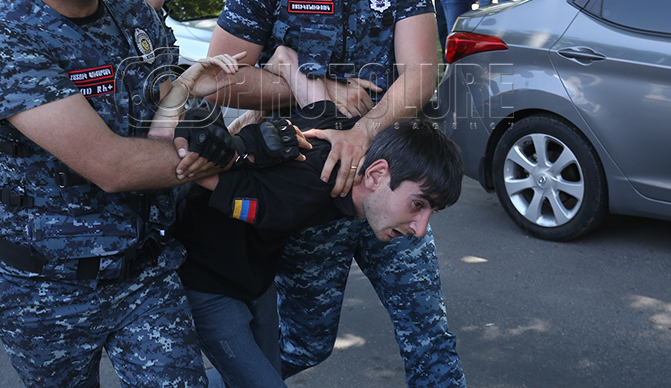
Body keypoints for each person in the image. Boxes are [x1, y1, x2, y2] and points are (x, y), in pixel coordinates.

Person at [0, 0, 250, 387]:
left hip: (147, 274)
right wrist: (232, 151)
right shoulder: (3, 40)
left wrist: (202, 100)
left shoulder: (133, 17)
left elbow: (168, 98)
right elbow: (112, 165)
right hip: (46, 291)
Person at [206, 0, 466, 388]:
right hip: (310, 189)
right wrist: (311, 89)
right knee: (304, 343)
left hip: (395, 182)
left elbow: (419, 74)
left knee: (430, 338)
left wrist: (364, 129)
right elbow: (218, 82)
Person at [174, 69, 464, 388]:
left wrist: (291, 69)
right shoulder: (303, 192)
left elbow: (294, 69)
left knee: (268, 372)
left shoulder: (341, 128)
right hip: (209, 285)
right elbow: (189, 168)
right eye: (418, 205)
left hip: (255, 280)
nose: (420, 229)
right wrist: (244, 144)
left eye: (431, 211)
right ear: (376, 175)